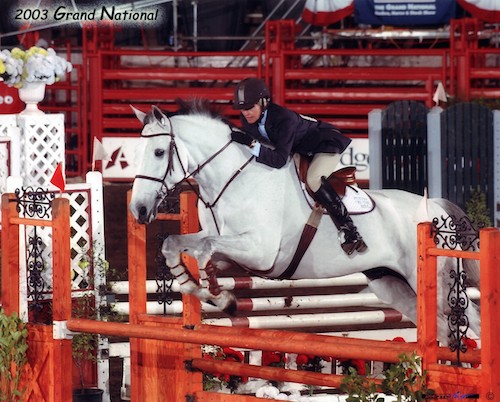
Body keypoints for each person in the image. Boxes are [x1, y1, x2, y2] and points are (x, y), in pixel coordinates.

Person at [231, 77, 367, 255]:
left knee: (313, 179)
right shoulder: (248, 120)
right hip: (299, 149)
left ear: (263, 102)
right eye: (242, 109)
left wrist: (252, 145)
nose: (246, 113)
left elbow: (278, 160)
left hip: (324, 143)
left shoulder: (283, 118)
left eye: (249, 108)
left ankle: (350, 230)